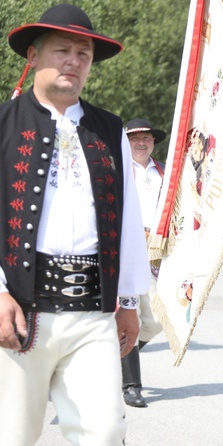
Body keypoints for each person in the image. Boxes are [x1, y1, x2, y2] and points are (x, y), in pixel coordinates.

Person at [0, 4, 149, 445]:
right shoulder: (4, 125)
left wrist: (128, 301)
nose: (74, 61)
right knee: (13, 436)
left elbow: (127, 218)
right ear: (32, 57)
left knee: (104, 433)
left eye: (83, 54)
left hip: (92, 314)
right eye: (62, 50)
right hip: (21, 308)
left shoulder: (110, 129)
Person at [121, 118, 167, 407]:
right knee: (132, 316)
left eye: (146, 138)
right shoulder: (117, 170)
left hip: (157, 254)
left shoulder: (166, 171)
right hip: (127, 251)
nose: (141, 142)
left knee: (158, 320)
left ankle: (116, 356)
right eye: (135, 138)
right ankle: (131, 385)